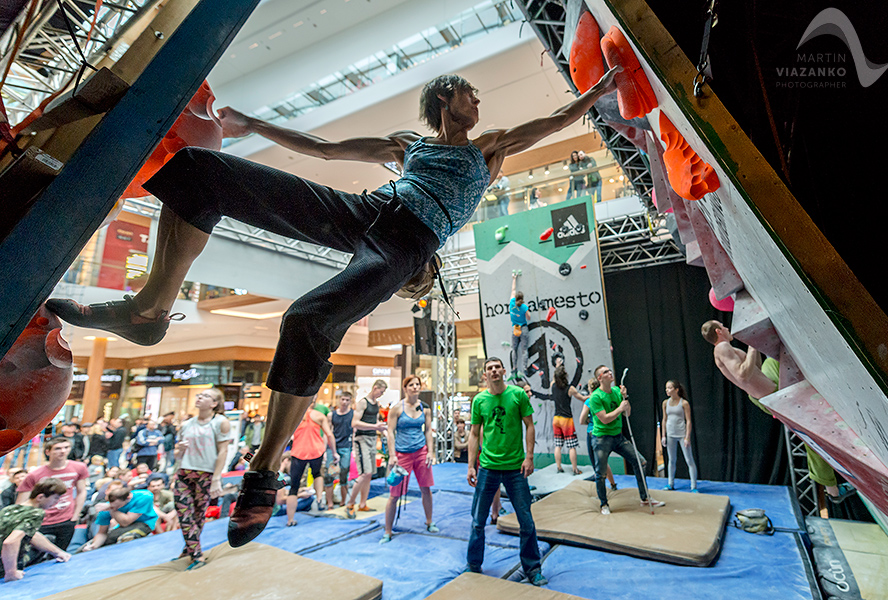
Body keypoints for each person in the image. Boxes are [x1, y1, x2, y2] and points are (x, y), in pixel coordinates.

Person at [46, 66, 621, 547]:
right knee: (198, 172)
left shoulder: (489, 148)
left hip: (408, 241)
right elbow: (322, 148)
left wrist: (592, 96)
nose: (478, 100)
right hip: (364, 211)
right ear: (446, 97)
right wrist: (250, 125)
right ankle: (149, 311)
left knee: (307, 320)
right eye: (469, 92)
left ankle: (265, 469)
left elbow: (548, 124)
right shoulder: (408, 144)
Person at [700, 320, 850, 502]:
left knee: (773, 360)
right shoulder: (722, 348)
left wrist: (753, 343)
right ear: (718, 331)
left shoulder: (725, 348)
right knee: (812, 437)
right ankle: (833, 491)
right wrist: (752, 348)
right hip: (772, 397)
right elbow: (742, 375)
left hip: (766, 389)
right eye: (723, 327)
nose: (727, 328)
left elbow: (754, 368)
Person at [466, 357, 546, 586]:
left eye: (496, 367)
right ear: (485, 375)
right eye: (489, 368)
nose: (493, 371)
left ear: (503, 371)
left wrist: (529, 457)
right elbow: (473, 434)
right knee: (477, 521)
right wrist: (471, 465)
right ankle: (473, 564)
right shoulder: (479, 400)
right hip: (488, 468)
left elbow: (530, 425)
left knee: (526, 521)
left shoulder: (518, 395)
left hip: (515, 468)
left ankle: (532, 569)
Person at [588, 366, 664, 514]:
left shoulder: (617, 391)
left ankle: (644, 497)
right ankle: (604, 504)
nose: (610, 373)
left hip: (618, 436)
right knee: (601, 473)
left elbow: (627, 414)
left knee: (641, 462)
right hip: (601, 438)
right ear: (600, 378)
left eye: (610, 371)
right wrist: (620, 408)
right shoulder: (596, 397)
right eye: (606, 372)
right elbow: (604, 419)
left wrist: (625, 398)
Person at [171, 388, 231, 569]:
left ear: (214, 403)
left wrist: (216, 478)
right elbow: (177, 454)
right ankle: (196, 554)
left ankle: (189, 549)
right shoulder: (187, 424)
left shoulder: (220, 422)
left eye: (205, 396)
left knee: (197, 514)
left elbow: (223, 451)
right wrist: (179, 449)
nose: (199, 398)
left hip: (205, 474)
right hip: (184, 472)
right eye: (199, 395)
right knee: (183, 512)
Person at [382, 375, 438, 544]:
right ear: (405, 388)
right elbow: (390, 432)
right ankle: (388, 531)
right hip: (402, 454)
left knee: (426, 489)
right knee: (394, 495)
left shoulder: (425, 407)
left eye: (417, 384)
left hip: (421, 452)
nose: (415, 387)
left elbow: (428, 430)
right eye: (411, 385)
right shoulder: (397, 408)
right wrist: (392, 455)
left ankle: (429, 522)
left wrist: (430, 452)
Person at [16, 437, 89, 554]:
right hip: (42, 521)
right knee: (36, 555)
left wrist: (75, 515)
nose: (63, 451)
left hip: (66, 519)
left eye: (66, 448)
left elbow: (82, 491)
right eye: (58, 448)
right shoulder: (35, 475)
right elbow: (21, 503)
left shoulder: (79, 468)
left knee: (62, 553)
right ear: (48, 452)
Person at [0, 478, 70, 582]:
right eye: (55, 498)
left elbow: (32, 535)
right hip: (3, 567)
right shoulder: (35, 513)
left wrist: (59, 553)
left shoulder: (9, 509)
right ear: (40, 497)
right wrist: (11, 573)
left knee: (46, 539)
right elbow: (10, 542)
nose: (56, 502)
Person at [286, 404, 337, 526]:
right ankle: (319, 499)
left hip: (299, 451)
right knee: (317, 473)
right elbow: (329, 434)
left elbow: (286, 436)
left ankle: (290, 520)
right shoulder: (319, 415)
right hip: (316, 450)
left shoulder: (294, 415)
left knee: (294, 486)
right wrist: (334, 452)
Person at [345, 381, 389, 519]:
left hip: (371, 439)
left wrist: (383, 432)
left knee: (369, 475)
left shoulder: (375, 404)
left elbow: (375, 423)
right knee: (364, 473)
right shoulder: (363, 402)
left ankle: (363, 504)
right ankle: (350, 503)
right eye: (381, 392)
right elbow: (355, 423)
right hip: (361, 439)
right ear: (375, 388)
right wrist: (375, 427)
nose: (381, 394)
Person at [81, 487, 157, 550]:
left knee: (126, 537)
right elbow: (102, 533)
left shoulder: (144, 496)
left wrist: (112, 509)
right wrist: (94, 546)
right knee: (94, 545)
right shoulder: (105, 510)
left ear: (128, 498)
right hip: (122, 528)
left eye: (118, 506)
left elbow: (126, 522)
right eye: (113, 506)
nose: (115, 508)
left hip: (145, 523)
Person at [660, 380, 698, 492]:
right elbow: (664, 420)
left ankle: (693, 487)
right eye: (666, 388)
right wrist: (663, 435)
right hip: (670, 435)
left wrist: (687, 437)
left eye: (670, 388)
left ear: (676, 390)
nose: (667, 390)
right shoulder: (665, 403)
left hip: (681, 435)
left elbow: (689, 421)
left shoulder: (684, 403)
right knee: (671, 460)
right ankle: (670, 484)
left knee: (689, 460)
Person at [580, 377, 618, 489]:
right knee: (603, 461)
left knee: (597, 464)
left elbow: (581, 420)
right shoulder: (605, 398)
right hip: (606, 431)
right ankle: (613, 484)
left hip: (593, 432)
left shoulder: (590, 400)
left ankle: (601, 491)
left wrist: (589, 420)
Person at [550, 366, 588, 475]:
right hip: (566, 420)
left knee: (558, 445)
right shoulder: (570, 389)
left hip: (556, 419)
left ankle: (559, 467)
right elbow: (582, 398)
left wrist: (557, 366)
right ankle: (575, 469)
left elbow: (554, 378)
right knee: (571, 446)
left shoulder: (553, 386)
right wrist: (592, 394)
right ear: (565, 376)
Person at [324, 392, 354, 509]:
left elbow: (355, 431)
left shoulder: (352, 414)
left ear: (350, 401)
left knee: (344, 473)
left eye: (347, 400)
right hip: (332, 447)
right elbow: (328, 432)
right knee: (329, 475)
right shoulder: (332, 415)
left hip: (346, 447)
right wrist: (326, 449)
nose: (345, 402)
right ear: (339, 400)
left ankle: (343, 501)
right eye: (343, 399)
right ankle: (330, 503)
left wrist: (354, 449)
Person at [509, 272, 531, 380]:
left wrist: (514, 278)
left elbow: (513, 290)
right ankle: (525, 368)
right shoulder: (523, 307)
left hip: (516, 328)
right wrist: (526, 311)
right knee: (524, 350)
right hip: (523, 328)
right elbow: (529, 318)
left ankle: (514, 367)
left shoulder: (512, 303)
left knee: (514, 349)